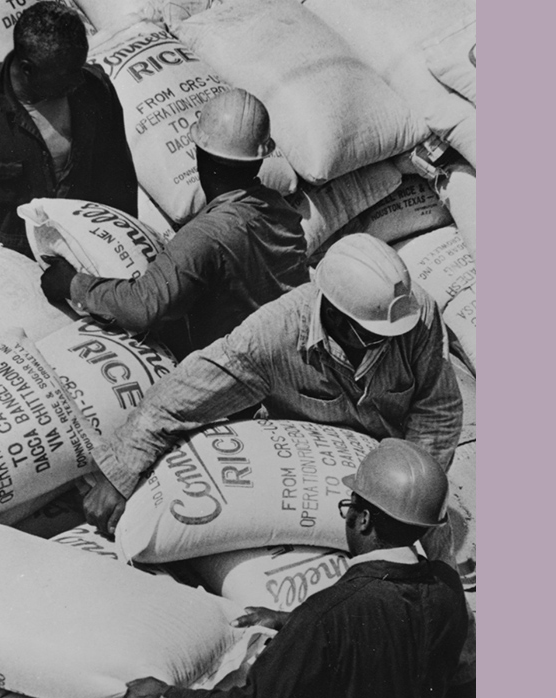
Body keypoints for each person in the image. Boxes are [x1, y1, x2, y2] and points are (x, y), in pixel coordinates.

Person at [83, 233, 462, 564]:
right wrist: (120, 472)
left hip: (394, 470)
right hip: (315, 473)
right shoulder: (271, 335)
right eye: (372, 334)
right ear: (333, 312)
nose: (387, 340)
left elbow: (438, 408)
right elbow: (182, 396)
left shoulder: (416, 316)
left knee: (433, 566)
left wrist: (409, 495)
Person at [123, 439, 469, 698]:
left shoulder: (329, 613)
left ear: (363, 519)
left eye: (350, 505)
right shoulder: (448, 592)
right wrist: (291, 622)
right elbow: (387, 632)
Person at [39, 88, 309, 360]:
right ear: (259, 160)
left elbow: (143, 306)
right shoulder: (280, 211)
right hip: (287, 352)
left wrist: (72, 284)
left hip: (239, 368)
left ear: (200, 156)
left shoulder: (204, 236)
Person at [0, 1, 137, 263]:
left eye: (80, 66)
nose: (79, 80)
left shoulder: (93, 90)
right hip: (3, 254)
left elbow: (118, 177)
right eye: (68, 73)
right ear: (28, 69)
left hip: (79, 245)